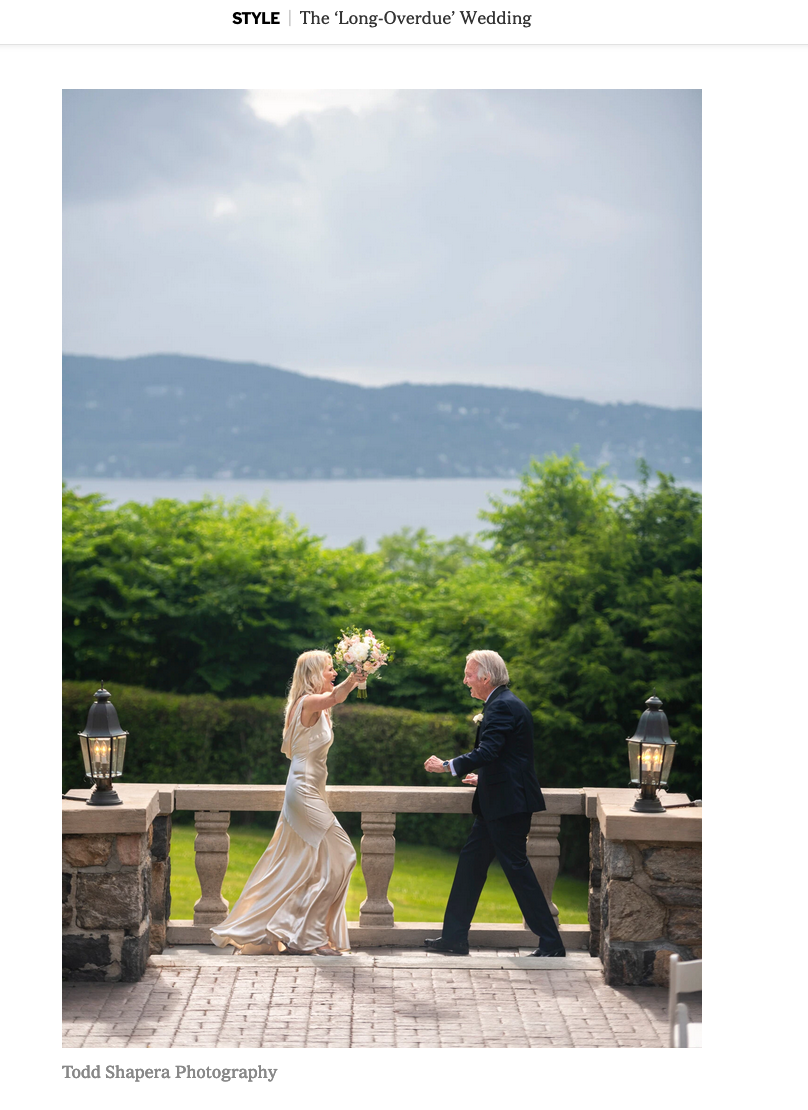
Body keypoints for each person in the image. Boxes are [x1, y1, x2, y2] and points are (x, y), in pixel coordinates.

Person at [211, 651, 362, 956]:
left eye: (334, 670)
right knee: (344, 854)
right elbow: (336, 696)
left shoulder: (317, 705)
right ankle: (312, 935)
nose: (333, 674)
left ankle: (298, 932)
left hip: (312, 791)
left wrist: (354, 676)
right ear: (312, 675)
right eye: (329, 670)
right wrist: (355, 676)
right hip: (303, 792)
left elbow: (334, 698)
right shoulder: (307, 703)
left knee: (317, 865)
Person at [423, 649, 566, 958]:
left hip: (507, 807)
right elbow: (507, 757)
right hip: (497, 802)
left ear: (486, 678)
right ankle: (454, 938)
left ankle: (552, 943)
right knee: (470, 867)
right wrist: (485, 779)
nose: (465, 680)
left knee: (517, 871)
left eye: (469, 675)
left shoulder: (501, 707)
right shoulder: (504, 703)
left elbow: (488, 752)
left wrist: (447, 765)